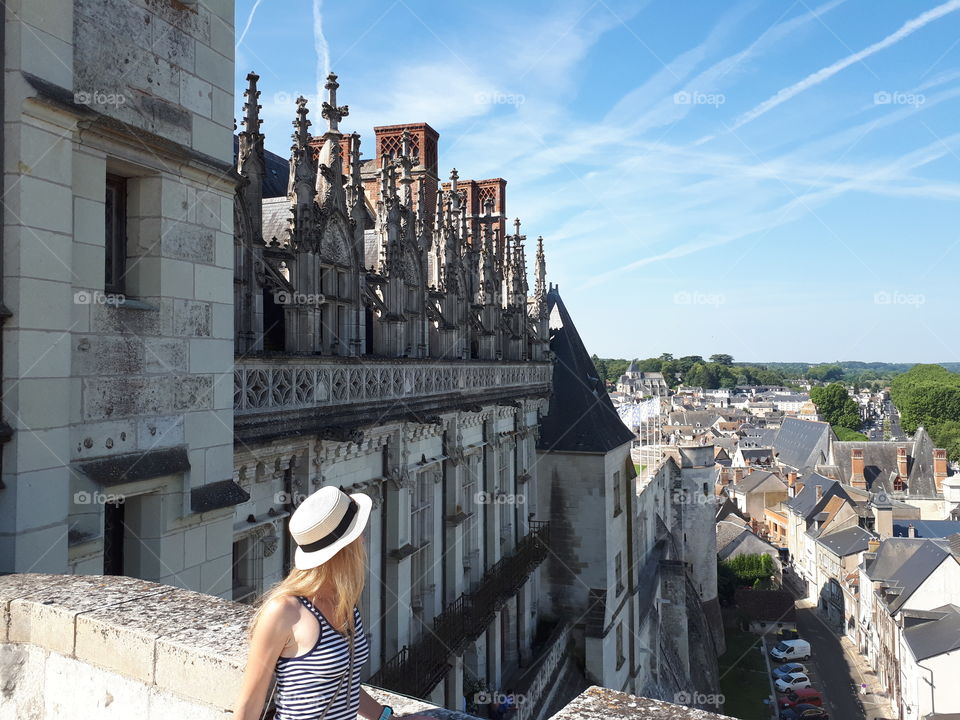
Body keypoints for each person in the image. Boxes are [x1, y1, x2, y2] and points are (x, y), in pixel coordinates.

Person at [234, 486, 433, 720]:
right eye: (357, 533)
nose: (363, 539)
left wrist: (388, 718)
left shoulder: (344, 604)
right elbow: (249, 705)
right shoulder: (285, 610)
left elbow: (345, 685)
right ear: (344, 548)